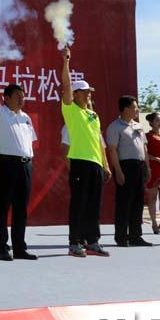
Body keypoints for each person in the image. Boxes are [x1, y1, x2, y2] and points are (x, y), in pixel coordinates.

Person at [0, 48, 38, 261]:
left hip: (26, 165)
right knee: (3, 206)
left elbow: (29, 143)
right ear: (6, 98)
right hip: (6, 164)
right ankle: (2, 247)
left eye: (23, 96)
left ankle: (19, 247)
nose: (22, 99)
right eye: (17, 96)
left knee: (21, 209)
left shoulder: (26, 117)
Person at [60, 47, 112, 258]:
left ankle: (92, 241)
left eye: (90, 91)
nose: (89, 94)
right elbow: (65, 85)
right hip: (79, 162)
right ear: (76, 94)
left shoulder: (93, 115)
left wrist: (105, 165)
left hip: (96, 164)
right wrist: (66, 61)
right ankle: (74, 243)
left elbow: (99, 141)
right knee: (79, 204)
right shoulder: (71, 110)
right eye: (85, 91)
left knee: (94, 205)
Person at [106, 96, 152, 247]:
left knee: (138, 202)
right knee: (124, 202)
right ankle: (121, 237)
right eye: (134, 107)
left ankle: (135, 236)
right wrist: (118, 171)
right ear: (125, 109)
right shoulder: (115, 127)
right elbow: (112, 150)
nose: (137, 110)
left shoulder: (139, 126)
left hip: (140, 166)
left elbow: (144, 148)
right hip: (125, 166)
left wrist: (147, 167)